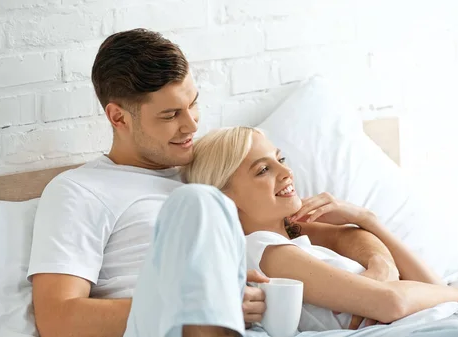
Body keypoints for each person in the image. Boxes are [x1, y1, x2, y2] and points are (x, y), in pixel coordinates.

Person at [27, 28, 404, 337]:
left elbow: (326, 232)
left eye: (193, 104)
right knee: (200, 203)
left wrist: (379, 272)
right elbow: (59, 318)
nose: (191, 125)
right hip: (159, 329)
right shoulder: (79, 191)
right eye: (171, 114)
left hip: (257, 329)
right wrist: (198, 304)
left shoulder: (221, 168)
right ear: (119, 118)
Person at [181, 126, 458, 337]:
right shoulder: (265, 251)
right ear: (225, 201)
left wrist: (368, 220)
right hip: (453, 324)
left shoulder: (296, 242)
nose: (285, 173)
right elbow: (391, 304)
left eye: (280, 160)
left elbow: (430, 284)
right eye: (262, 170)